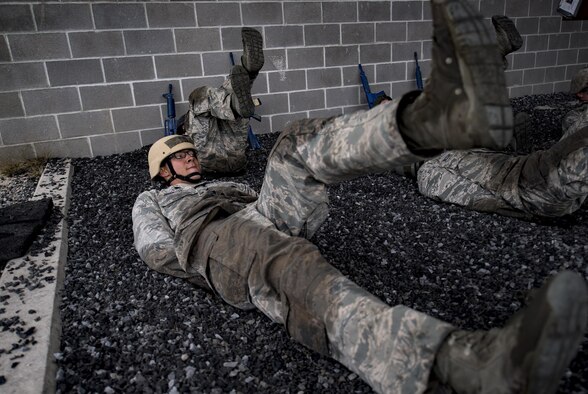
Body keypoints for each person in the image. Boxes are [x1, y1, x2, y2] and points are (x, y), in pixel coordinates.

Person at [133, 2, 588, 393]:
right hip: (214, 234)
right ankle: (457, 362)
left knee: (293, 146)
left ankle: (424, 121)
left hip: (256, 209)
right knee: (290, 266)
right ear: (161, 171)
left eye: (193, 153)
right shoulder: (153, 201)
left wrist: (272, 207)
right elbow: (156, 250)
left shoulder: (222, 180)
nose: (192, 159)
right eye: (182, 158)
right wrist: (220, 263)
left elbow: (271, 190)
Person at [415, 67, 588, 219]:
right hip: (533, 186)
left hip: (536, 180)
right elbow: (478, 198)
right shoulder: (428, 171)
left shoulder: (446, 159)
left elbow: (476, 194)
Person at [176, 27, 264, 176]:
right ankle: (248, 73)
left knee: (217, 101)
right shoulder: (190, 129)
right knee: (201, 96)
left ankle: (234, 100)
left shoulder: (197, 134)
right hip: (236, 163)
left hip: (209, 164)